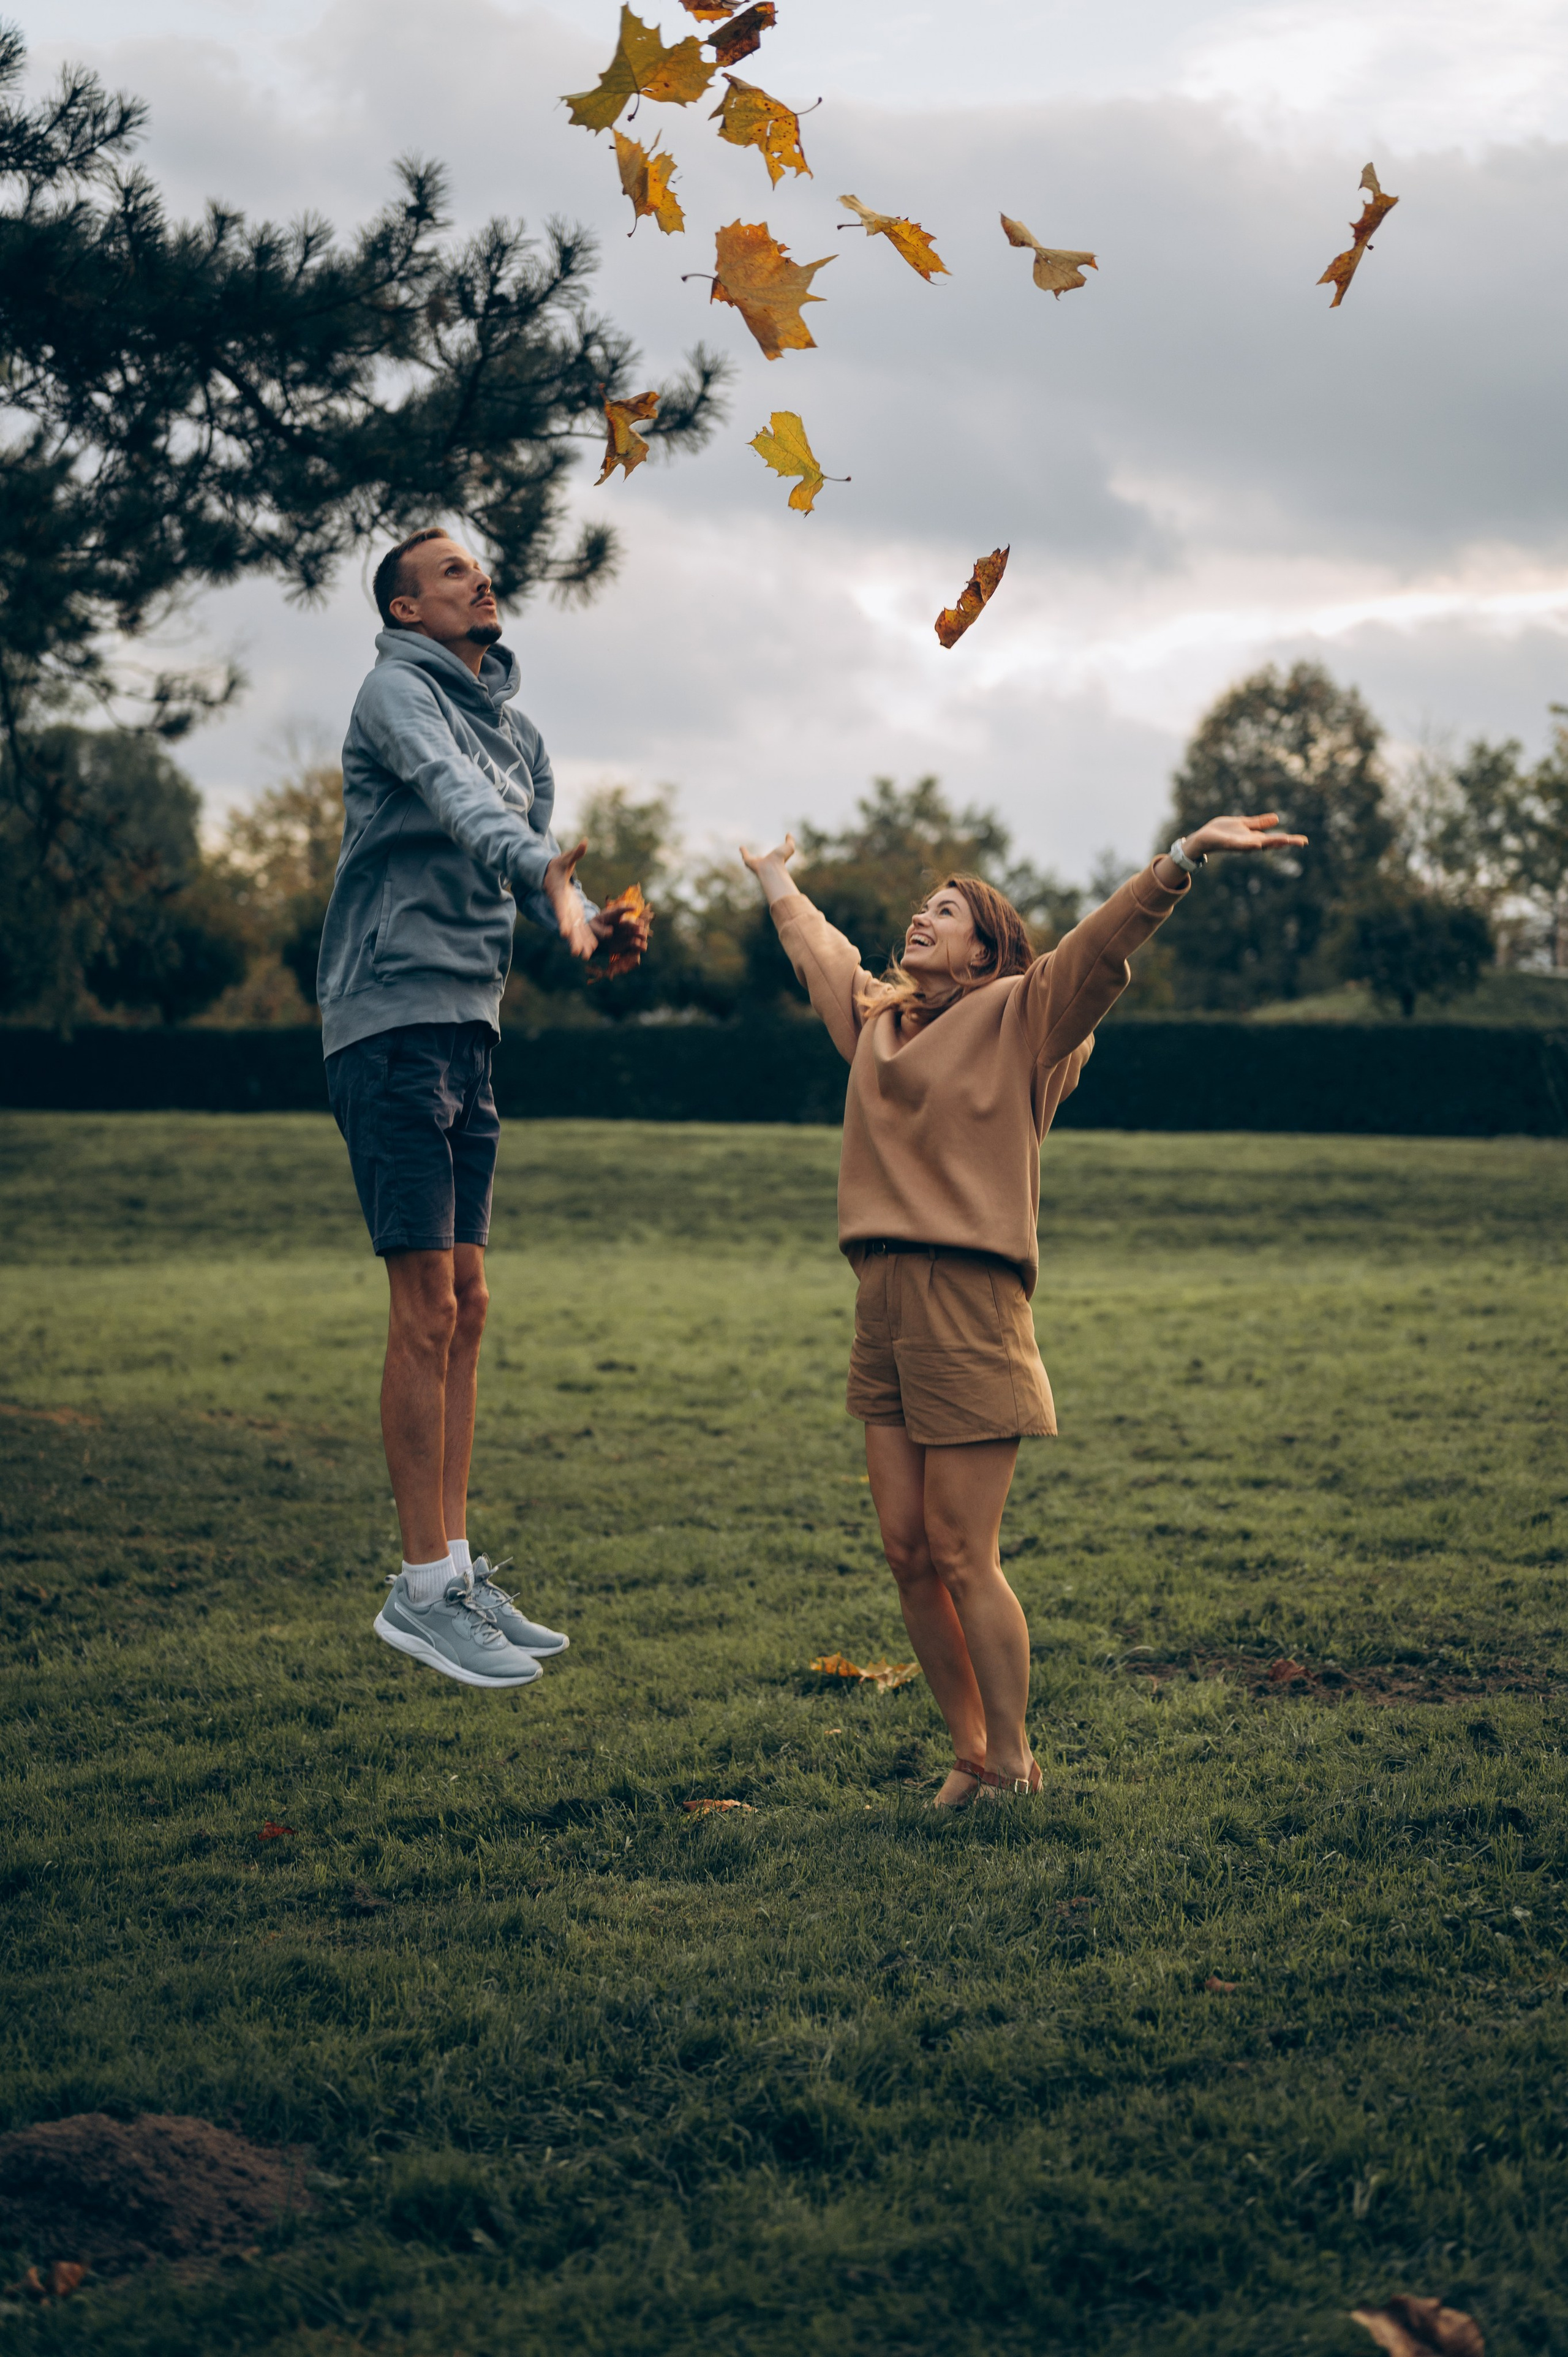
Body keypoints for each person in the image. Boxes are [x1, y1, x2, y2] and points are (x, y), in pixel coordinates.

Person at [741, 813, 1306, 1805]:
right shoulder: (879, 1023)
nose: (922, 916)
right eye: (923, 907)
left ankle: (1014, 1758)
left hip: (968, 1301)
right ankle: (972, 1754)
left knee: (964, 1550)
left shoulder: (1023, 1019)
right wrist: (775, 880)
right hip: (881, 1301)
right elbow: (822, 956)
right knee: (908, 1552)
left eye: (945, 911)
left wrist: (1180, 860)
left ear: (990, 949)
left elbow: (1098, 948)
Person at [318, 527, 650, 1691]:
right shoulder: (394, 695)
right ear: (407, 612)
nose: (479, 579)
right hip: (391, 1013)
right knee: (421, 1307)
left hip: (468, 1021)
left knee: (467, 1298)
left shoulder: (521, 732)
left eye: (480, 568)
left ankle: (457, 1566)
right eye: (451, 572)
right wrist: (546, 872)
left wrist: (581, 923)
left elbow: (526, 867)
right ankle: (419, 1592)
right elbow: (465, 808)